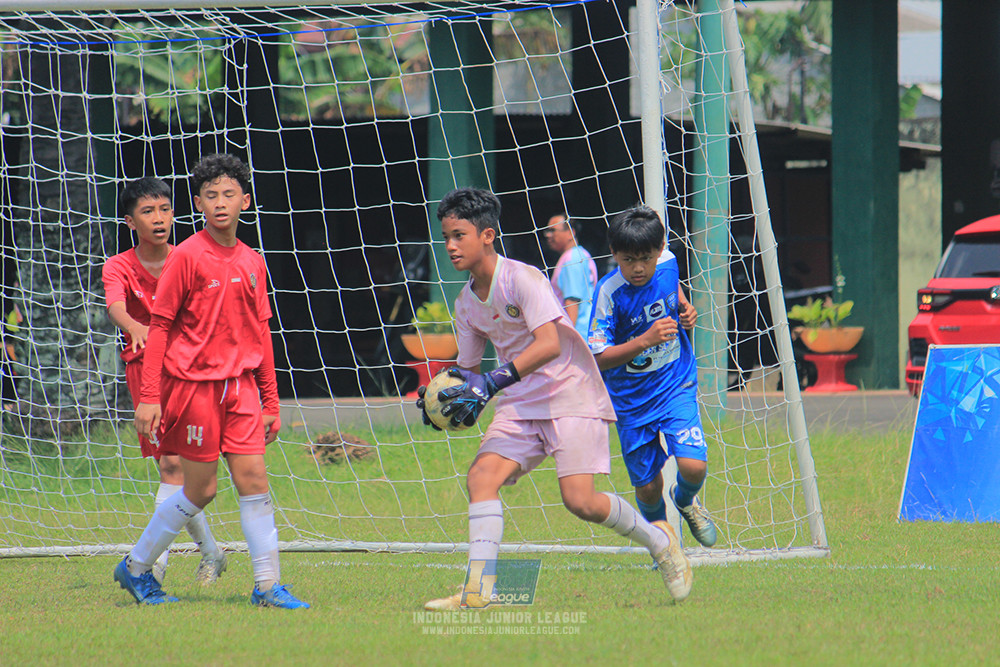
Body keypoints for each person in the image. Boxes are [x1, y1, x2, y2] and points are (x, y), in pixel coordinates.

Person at [417, 187, 693, 610]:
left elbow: (549, 344)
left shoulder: (522, 278)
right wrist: (442, 394)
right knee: (481, 478)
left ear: (487, 236)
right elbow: (468, 371)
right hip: (520, 402)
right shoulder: (465, 304)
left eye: (459, 235)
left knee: (580, 501)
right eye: (447, 237)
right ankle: (478, 590)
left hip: (570, 392)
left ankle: (660, 541)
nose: (450, 246)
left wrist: (491, 382)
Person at [115, 154, 309, 609]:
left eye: (228, 194)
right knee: (200, 489)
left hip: (240, 389)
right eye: (210, 195)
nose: (220, 203)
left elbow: (262, 334)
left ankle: (266, 586)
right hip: (194, 389)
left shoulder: (253, 262)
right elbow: (159, 327)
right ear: (198, 203)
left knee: (255, 480)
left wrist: (271, 403)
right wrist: (149, 397)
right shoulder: (185, 257)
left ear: (245, 200)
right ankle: (137, 566)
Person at [103, 177, 226, 587]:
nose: (159, 219)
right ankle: (185, 558)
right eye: (147, 211)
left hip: (190, 372)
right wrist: (138, 327)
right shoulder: (118, 265)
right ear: (130, 221)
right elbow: (115, 307)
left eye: (165, 209)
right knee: (171, 466)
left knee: (182, 470)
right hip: (147, 374)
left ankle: (159, 565)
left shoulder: (189, 257)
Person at [588, 205, 717, 550]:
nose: (639, 268)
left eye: (645, 258)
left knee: (693, 466)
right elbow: (599, 357)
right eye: (628, 260)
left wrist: (685, 309)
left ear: (660, 250)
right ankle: (662, 544)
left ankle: (686, 500)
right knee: (646, 487)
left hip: (675, 383)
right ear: (614, 255)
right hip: (631, 402)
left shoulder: (669, 262)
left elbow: (673, 293)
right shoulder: (608, 293)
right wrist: (645, 339)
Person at [543, 212, 598, 338]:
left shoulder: (571, 259)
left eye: (552, 230)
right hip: (589, 331)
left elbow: (572, 301)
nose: (548, 235)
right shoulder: (583, 254)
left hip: (577, 335)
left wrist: (569, 339)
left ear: (570, 233)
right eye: (547, 231)